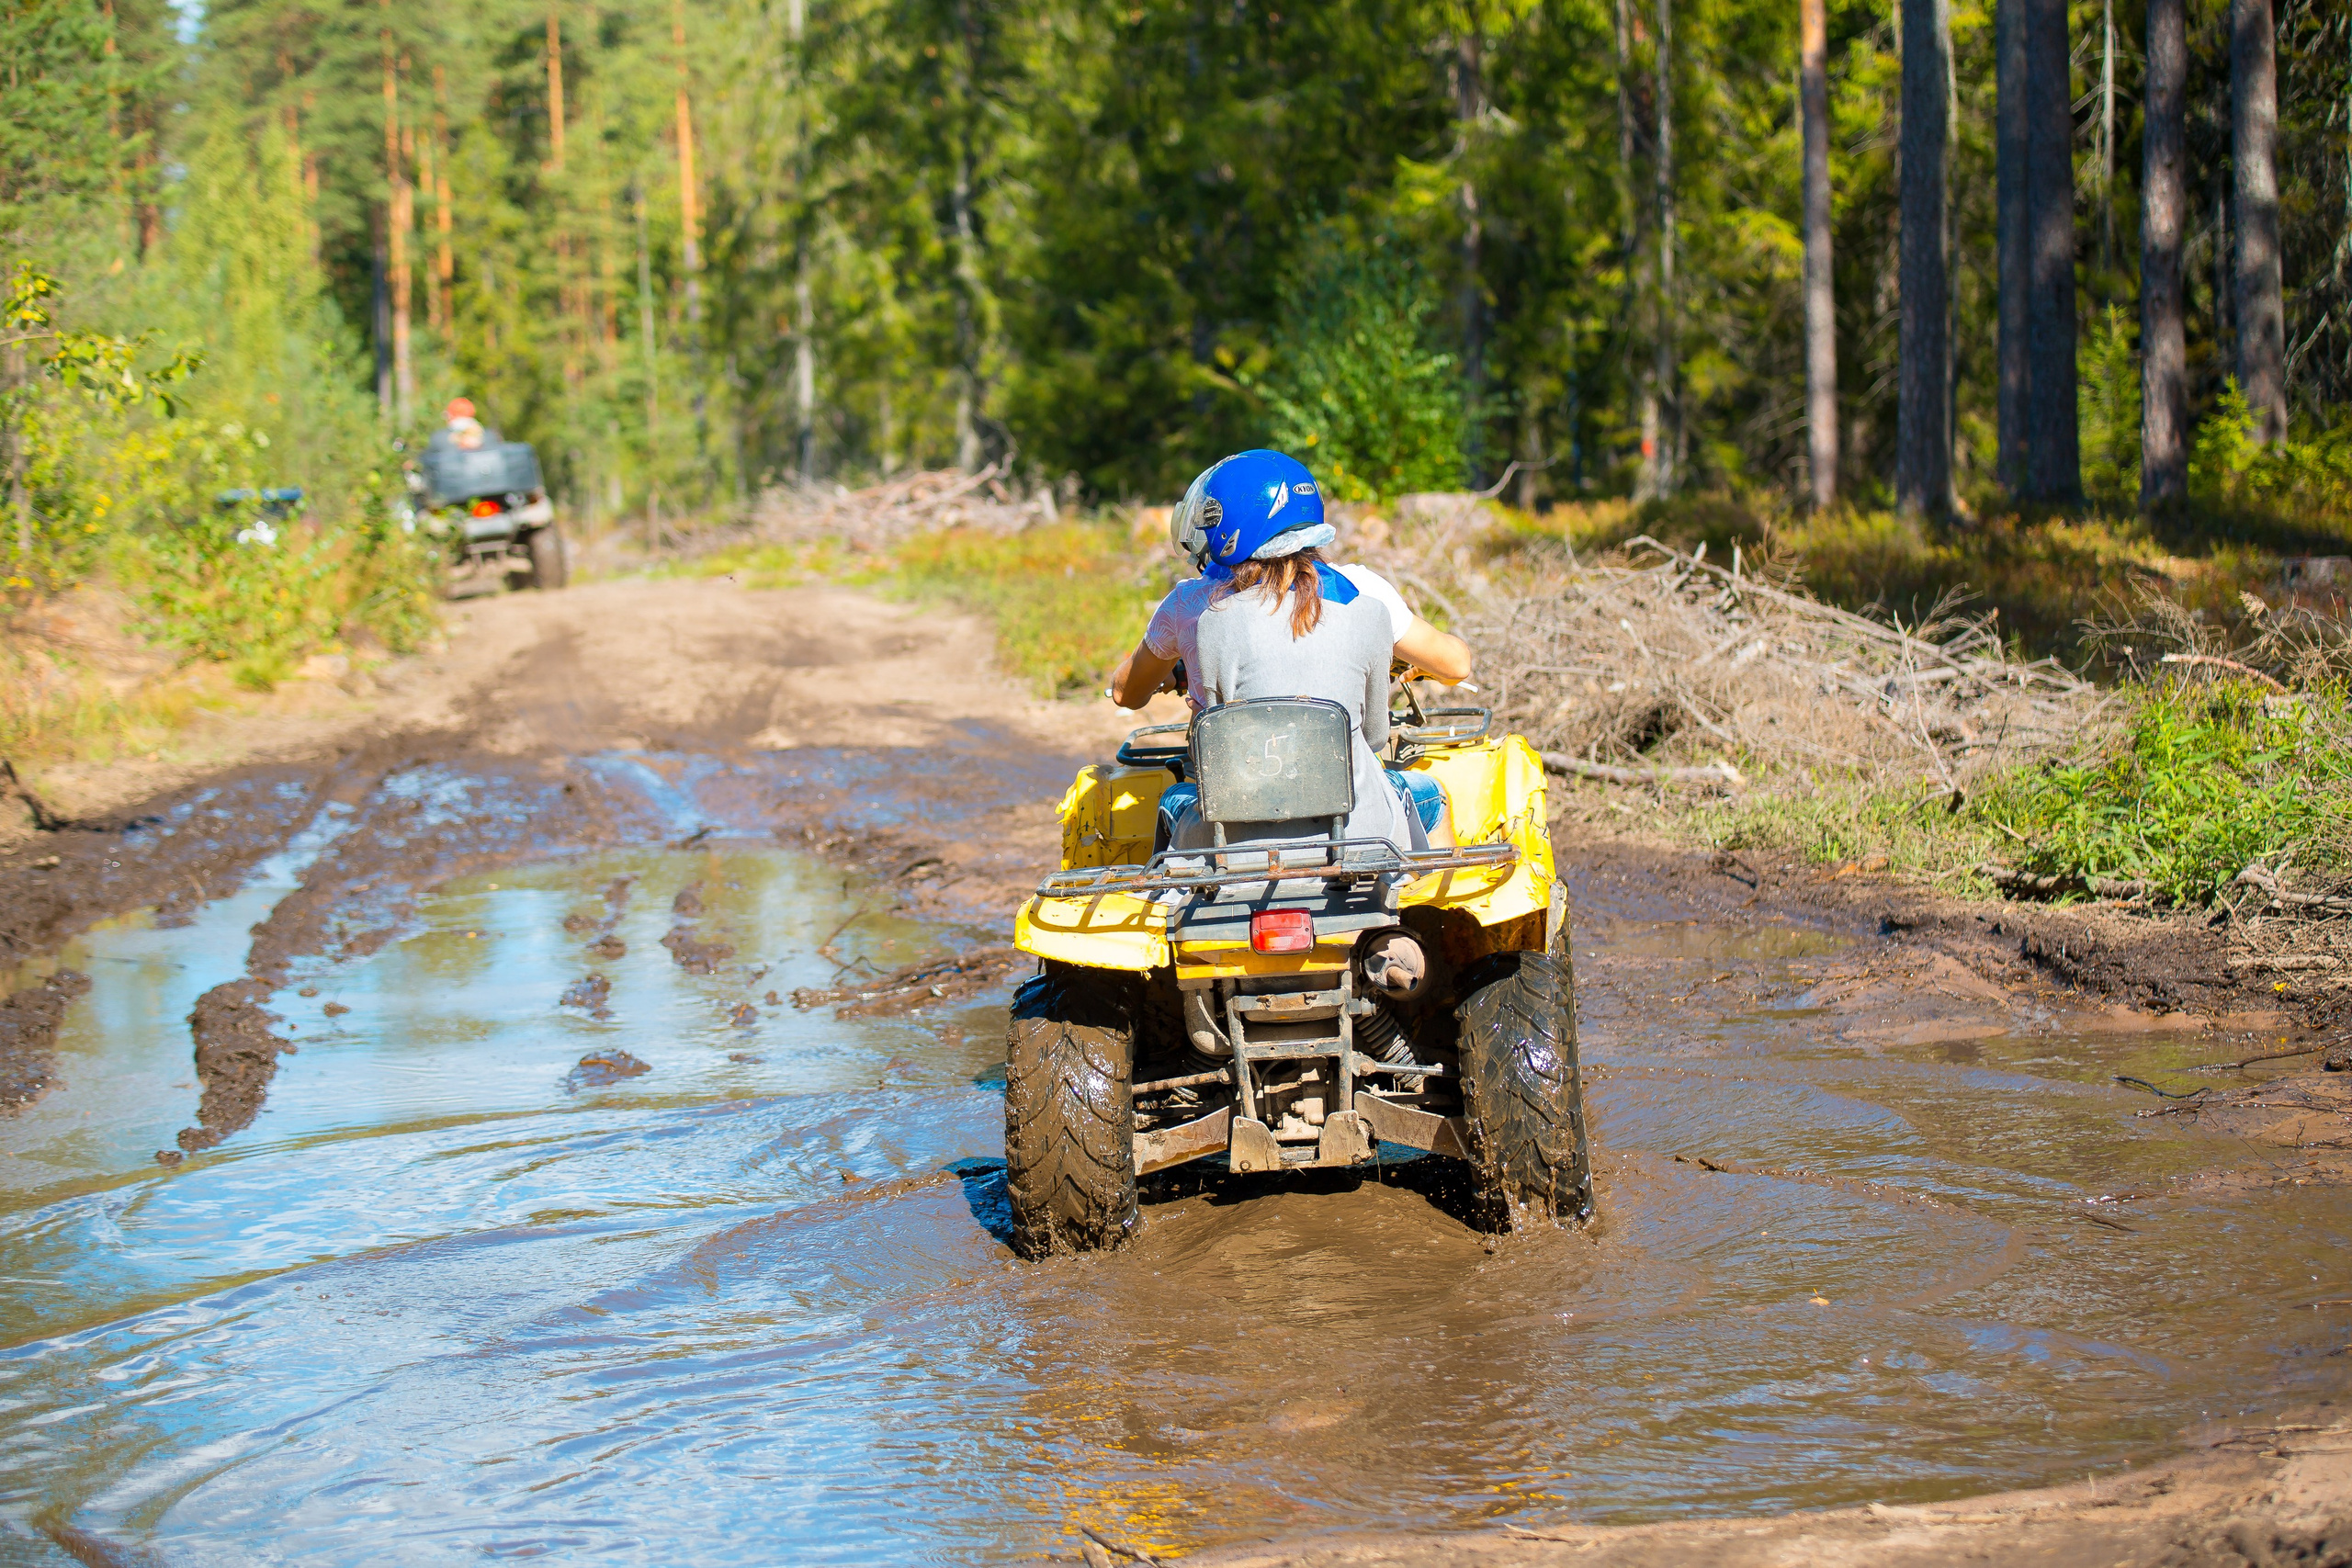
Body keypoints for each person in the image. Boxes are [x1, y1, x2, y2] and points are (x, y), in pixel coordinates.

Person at [1108, 448, 1474, 852]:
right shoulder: (1364, 596)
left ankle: (1181, 885)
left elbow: (1128, 694)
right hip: (1355, 831)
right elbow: (1435, 682)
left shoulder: (1194, 607)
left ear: (1229, 526)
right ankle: (1427, 890)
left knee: (1175, 798)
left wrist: (1174, 669)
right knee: (1431, 794)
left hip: (1235, 835)